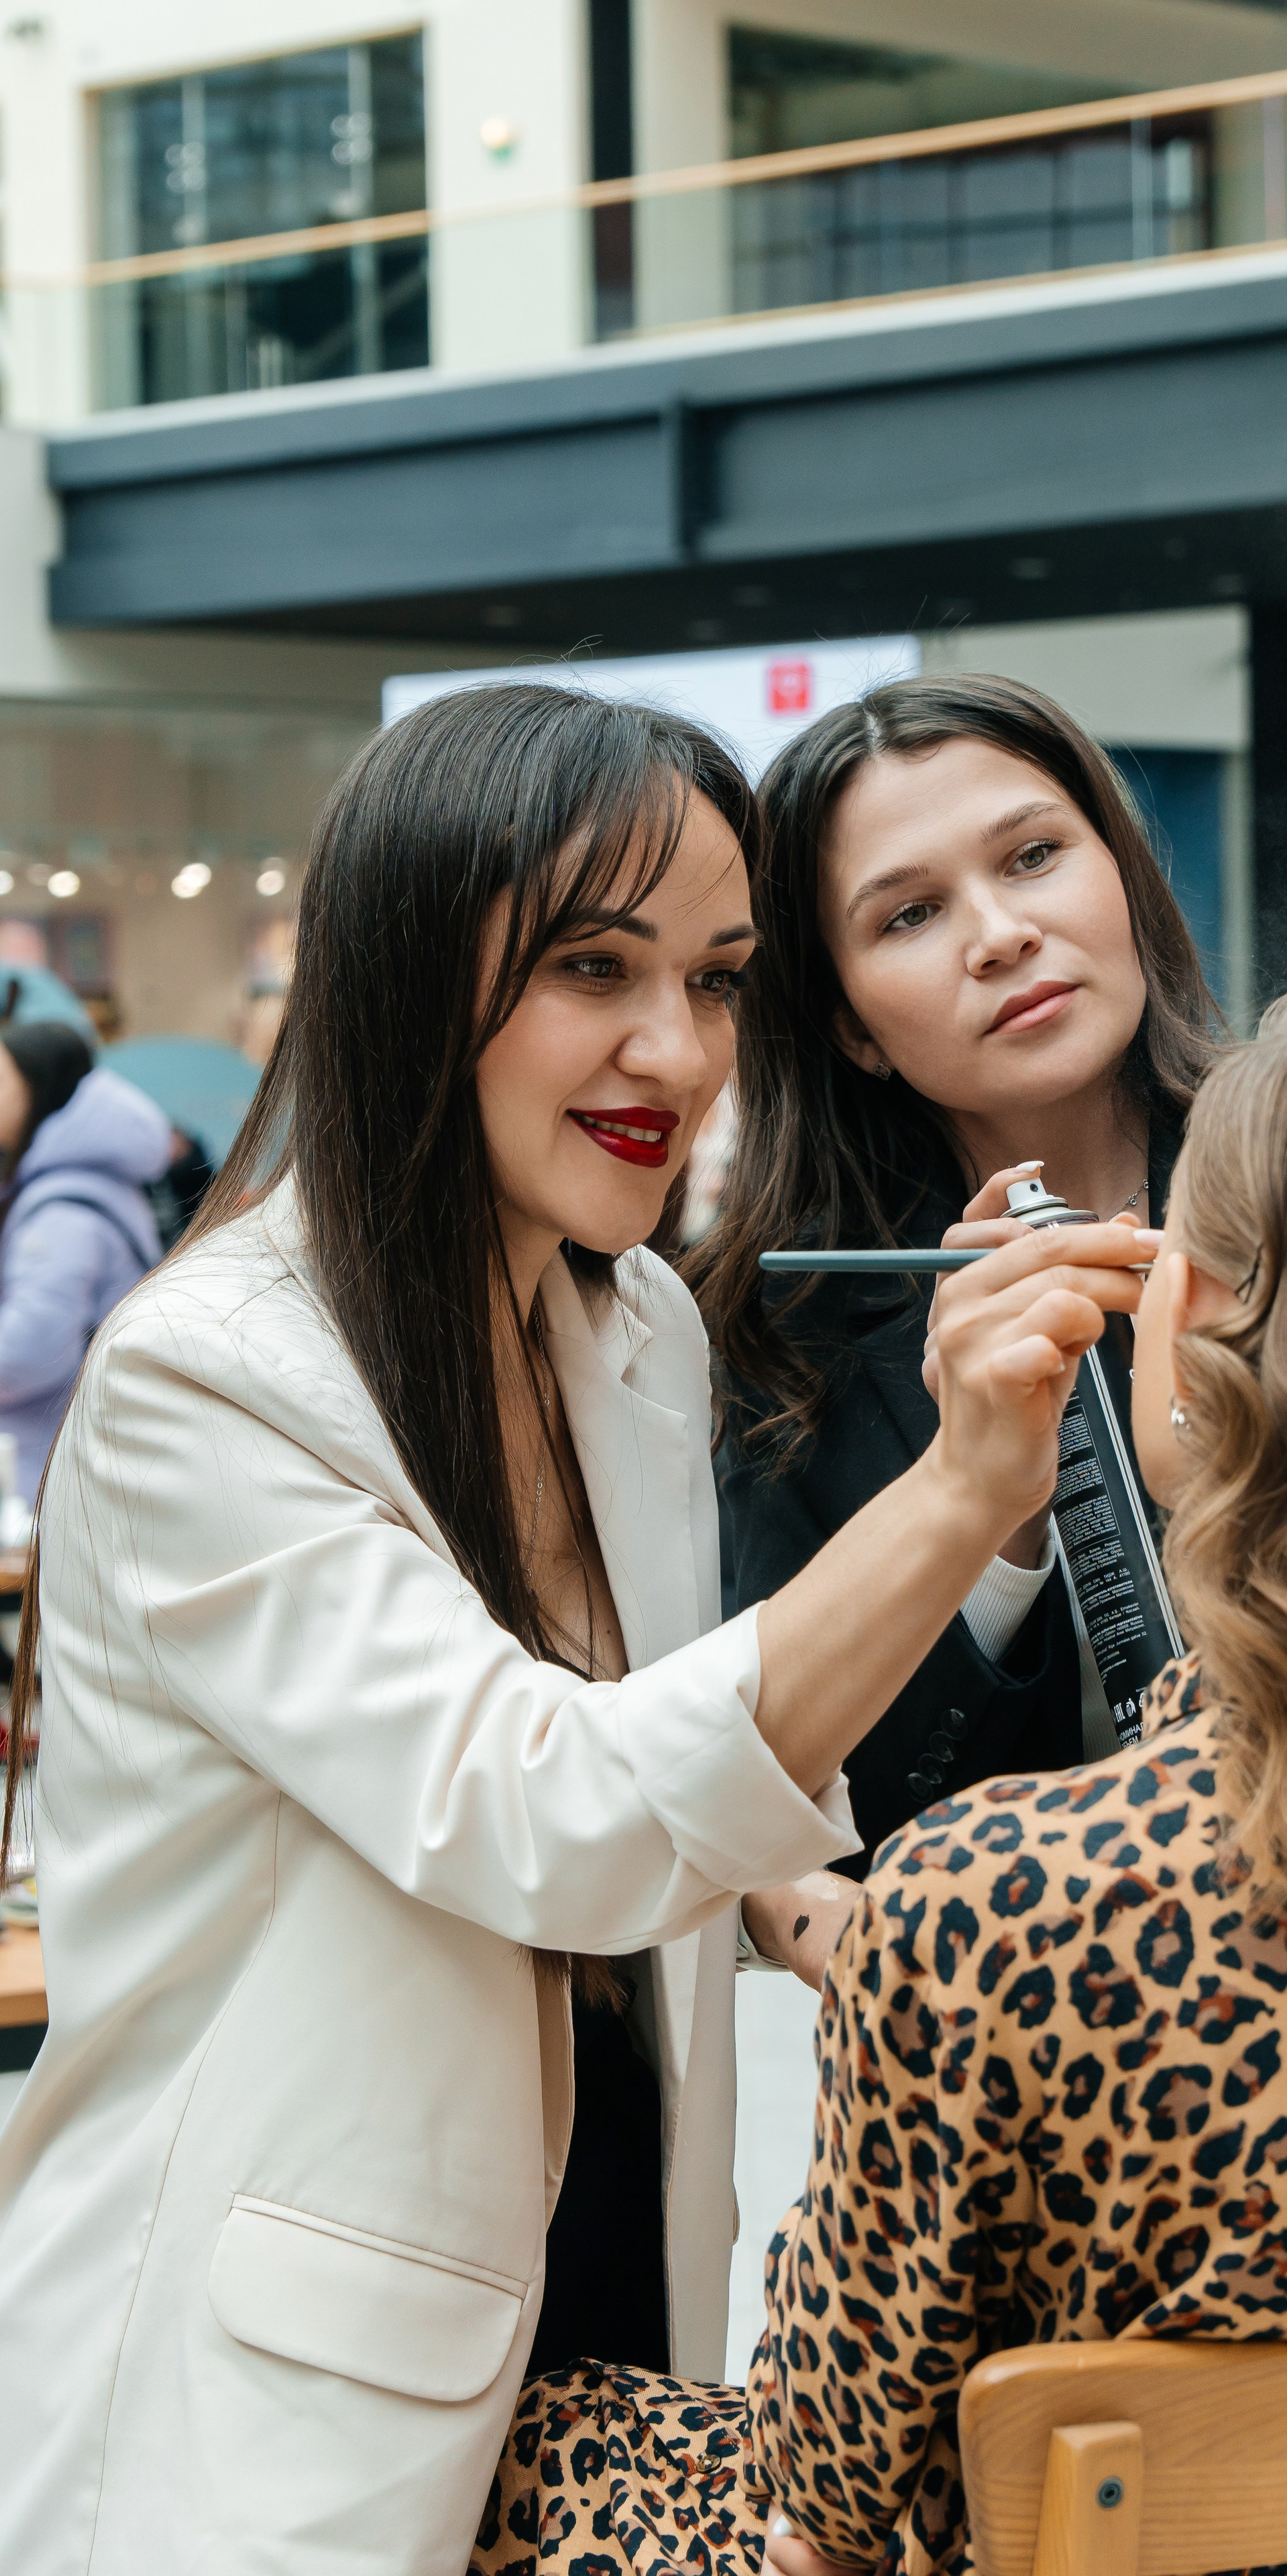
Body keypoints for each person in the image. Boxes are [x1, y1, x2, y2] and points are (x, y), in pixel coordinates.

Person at [0, 685, 1148, 2576]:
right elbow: (556, 1814)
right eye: (593, 966)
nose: (673, 1048)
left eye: (715, 978)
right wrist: (958, 1496)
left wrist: (817, 1905)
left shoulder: (631, 1328)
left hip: (607, 2303)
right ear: (400, 971)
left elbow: (686, 1786)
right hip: (273, 2402)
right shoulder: (207, 1374)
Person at [479, 970, 1287, 2576]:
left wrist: (917, 1973)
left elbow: (830, 2481)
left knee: (537, 2429)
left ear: (1179, 1327)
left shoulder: (996, 1905)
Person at [692, 675, 1218, 1871]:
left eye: (1034, 856)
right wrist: (990, 1511)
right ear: (849, 1025)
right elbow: (836, 1814)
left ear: (1126, 875)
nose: (999, 935)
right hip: (1006, 2010)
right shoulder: (778, 1332)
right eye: (909, 917)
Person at [0, 1020, 170, 1496]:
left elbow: (30, 1350)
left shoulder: (63, 1210)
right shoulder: (92, 1180)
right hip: (80, 1454)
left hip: (46, 1468)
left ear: (40, 1086)